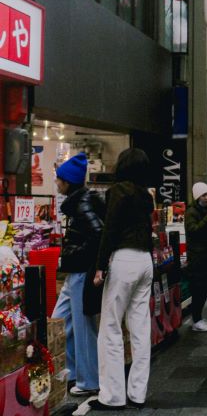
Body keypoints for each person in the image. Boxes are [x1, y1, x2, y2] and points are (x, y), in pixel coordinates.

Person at [88, 149, 154, 411]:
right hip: (145, 261)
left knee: (111, 328)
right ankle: (138, 392)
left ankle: (112, 395)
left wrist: (100, 266)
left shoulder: (118, 191)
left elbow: (110, 229)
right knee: (140, 329)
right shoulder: (146, 195)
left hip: (123, 260)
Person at [52, 153, 105, 397]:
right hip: (75, 272)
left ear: (68, 182)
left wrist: (76, 254)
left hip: (80, 272)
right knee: (60, 321)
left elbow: (98, 233)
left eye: (59, 179)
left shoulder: (81, 203)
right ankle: (74, 372)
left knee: (82, 327)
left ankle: (89, 380)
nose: (56, 183)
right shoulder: (80, 201)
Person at [184, 182, 207, 332]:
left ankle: (198, 318)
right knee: (198, 289)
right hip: (197, 256)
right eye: (204, 195)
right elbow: (194, 230)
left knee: (204, 289)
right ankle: (196, 320)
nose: (206, 198)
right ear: (197, 196)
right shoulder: (191, 212)